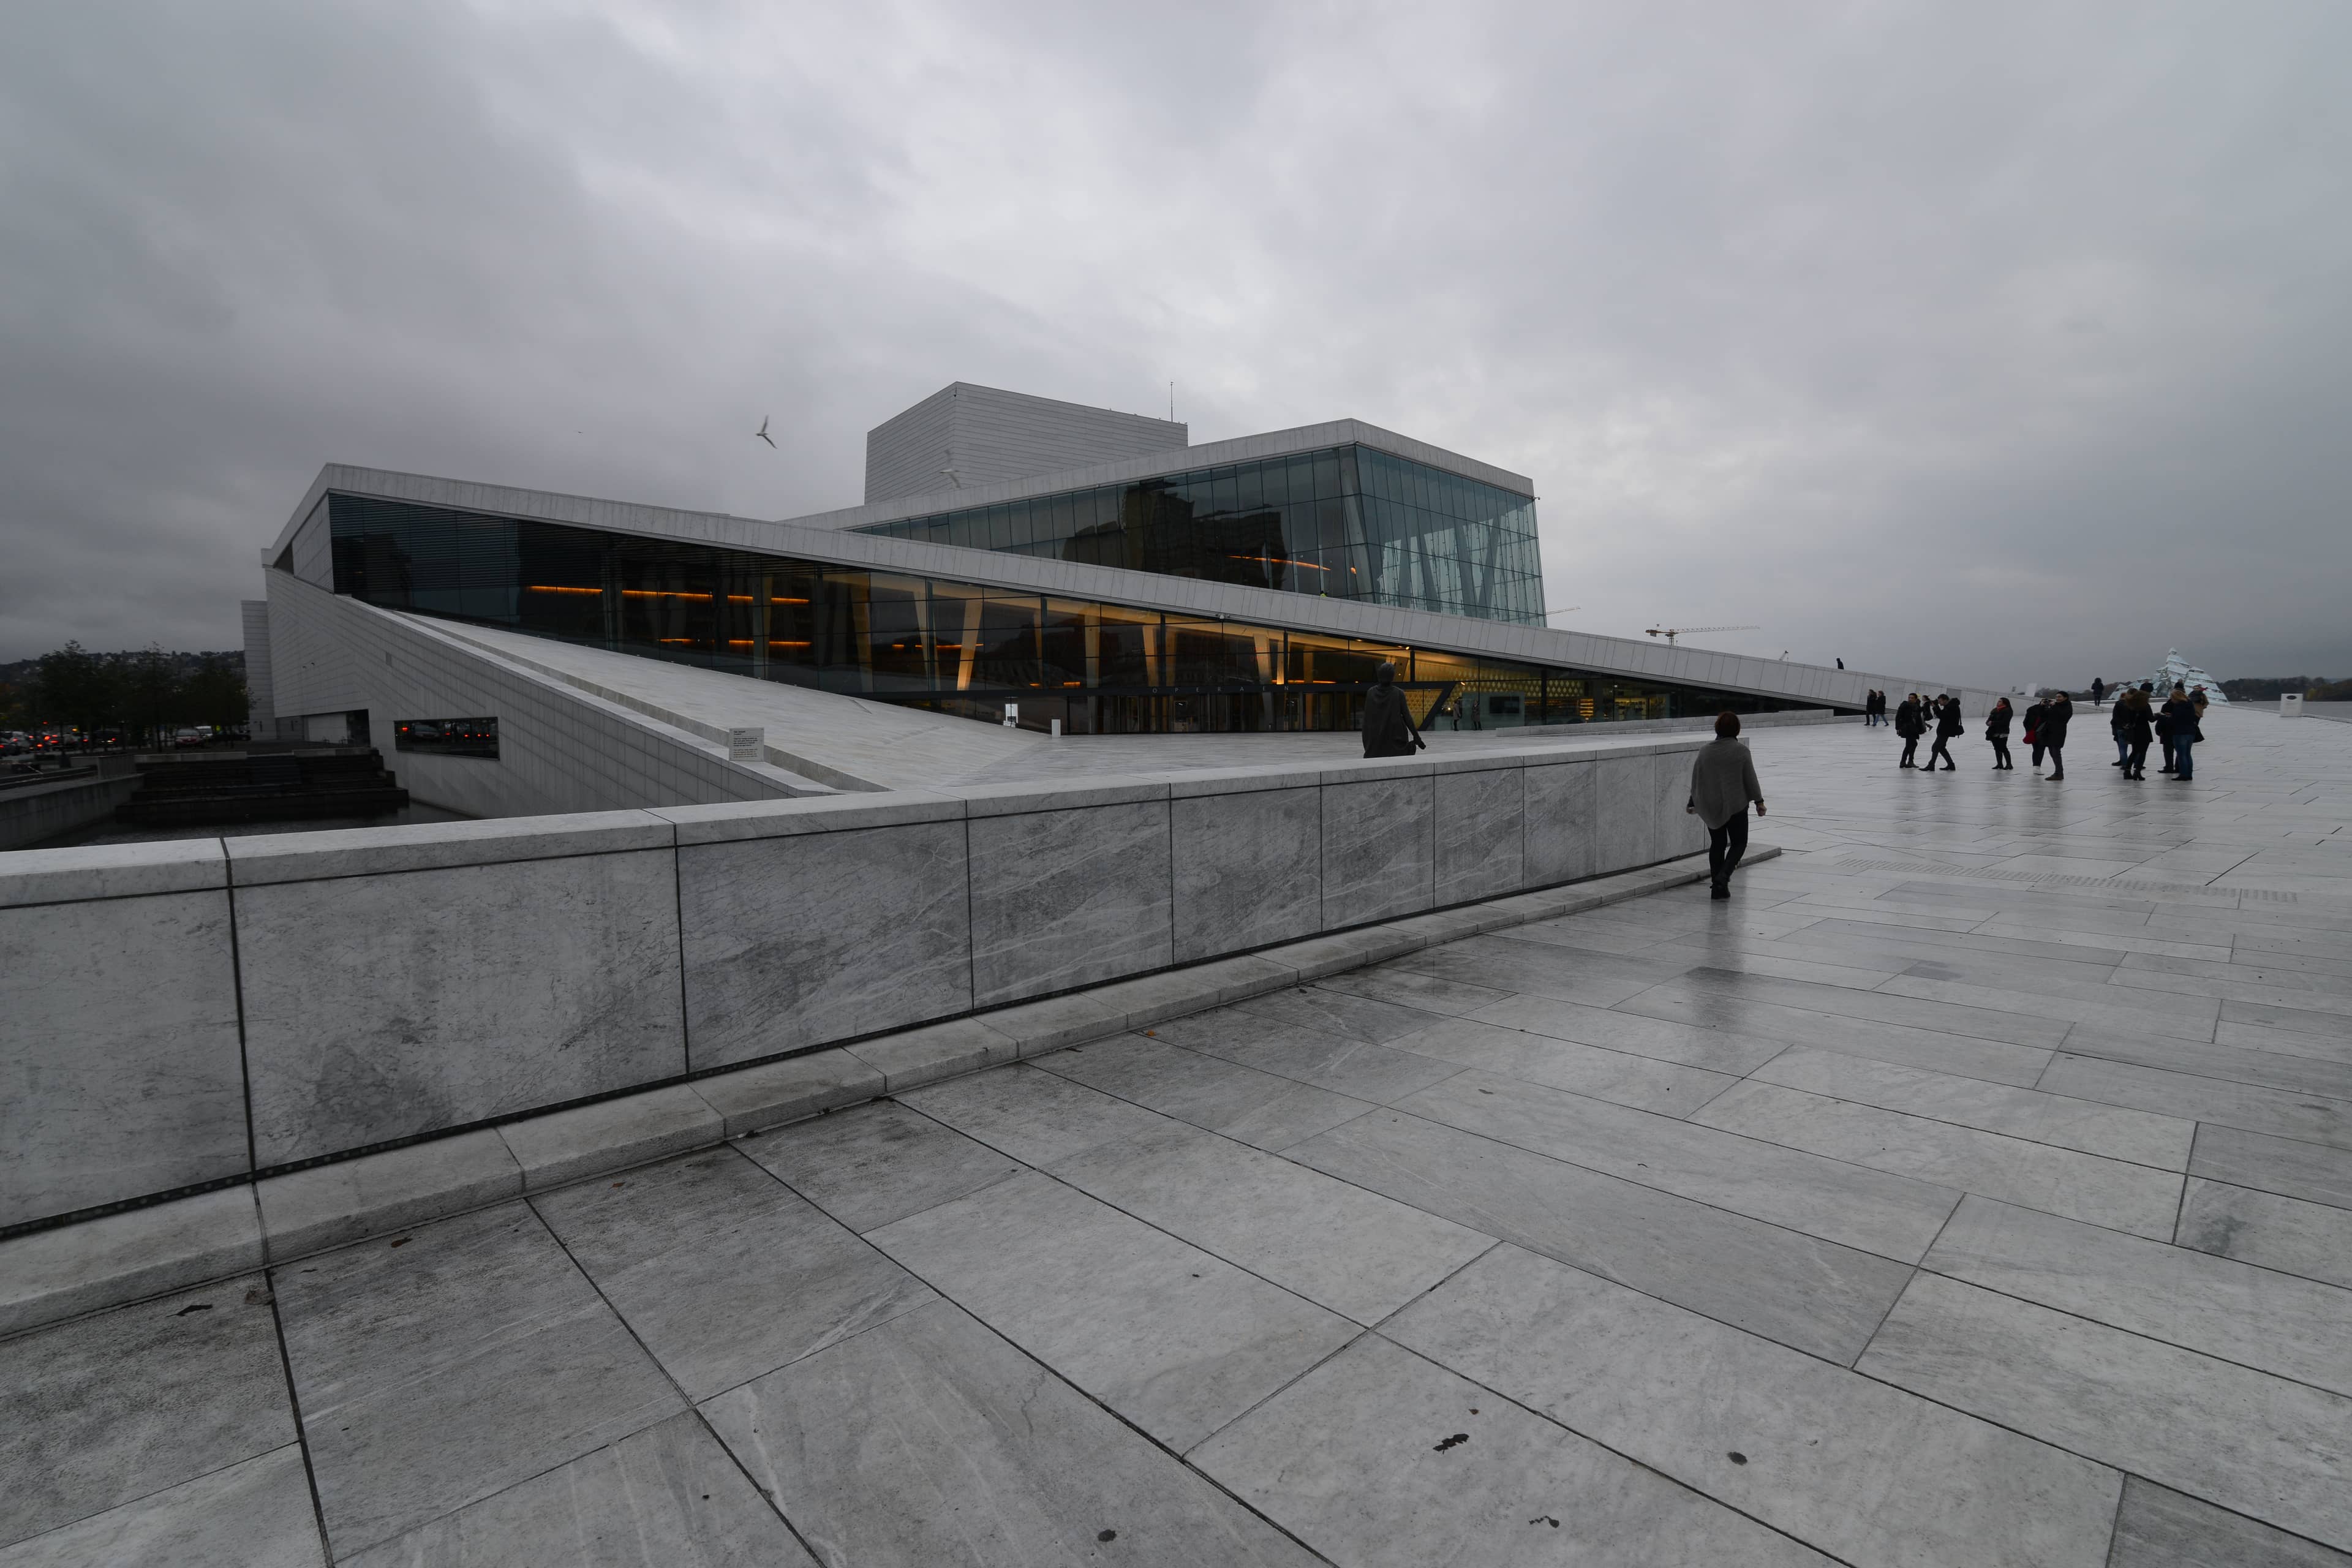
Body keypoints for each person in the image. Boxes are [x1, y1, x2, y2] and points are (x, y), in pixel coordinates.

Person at [1686, 711, 1766, 900]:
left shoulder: (1705, 751)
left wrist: (1692, 802)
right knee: (1739, 843)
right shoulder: (1741, 751)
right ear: (1737, 729)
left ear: (1717, 728)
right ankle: (1723, 877)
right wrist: (1759, 802)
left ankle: (1717, 887)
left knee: (1718, 844)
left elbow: (1698, 779)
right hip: (1737, 805)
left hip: (1711, 805)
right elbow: (1750, 779)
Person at [1359, 662, 1426, 759]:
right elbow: (1407, 717)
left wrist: (1368, 741)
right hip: (1395, 740)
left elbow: (1367, 720)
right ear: (1392, 677)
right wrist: (1417, 738)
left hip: (1376, 740)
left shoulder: (1371, 692)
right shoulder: (1398, 693)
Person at [2113, 687, 2155, 779]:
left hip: (2134, 732)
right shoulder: (2146, 706)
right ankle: (2137, 772)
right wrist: (2159, 716)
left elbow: (2128, 719)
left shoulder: (2131, 706)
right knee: (2143, 752)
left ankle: (2127, 771)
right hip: (2144, 731)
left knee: (2134, 752)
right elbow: (2151, 719)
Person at [2163, 684, 2203, 781]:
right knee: (2187, 754)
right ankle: (2189, 774)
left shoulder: (2179, 706)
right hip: (2190, 732)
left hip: (2180, 732)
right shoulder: (2190, 705)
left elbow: (2176, 720)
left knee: (2182, 755)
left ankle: (2184, 775)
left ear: (2176, 698)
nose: (2172, 700)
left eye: (2172, 698)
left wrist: (2168, 717)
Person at [2041, 690, 2073, 779]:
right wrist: (2043, 706)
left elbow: (2064, 717)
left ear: (2065, 698)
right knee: (2052, 752)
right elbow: (2045, 715)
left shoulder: (2067, 706)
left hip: (2059, 732)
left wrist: (2054, 707)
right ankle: (2058, 772)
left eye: (2060, 697)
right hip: (2050, 731)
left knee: (2056, 752)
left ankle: (2059, 773)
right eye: (2057, 697)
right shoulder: (2055, 705)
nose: (2057, 699)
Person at [1928, 693, 1962, 771]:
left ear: (1945, 700)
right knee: (1941, 748)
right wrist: (1936, 707)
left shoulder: (1951, 707)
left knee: (1936, 747)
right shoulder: (1951, 706)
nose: (1939, 703)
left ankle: (1931, 765)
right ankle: (1951, 765)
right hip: (1945, 730)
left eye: (1940, 701)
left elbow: (1942, 716)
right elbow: (1943, 715)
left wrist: (1935, 707)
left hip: (1945, 731)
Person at [1894, 692, 1924, 767]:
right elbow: (1898, 717)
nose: (1910, 699)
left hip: (1914, 728)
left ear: (1916, 699)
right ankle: (1906, 761)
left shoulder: (1916, 707)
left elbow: (1919, 718)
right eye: (1909, 698)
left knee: (1911, 744)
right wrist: (1898, 727)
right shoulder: (1904, 706)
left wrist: (1921, 729)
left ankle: (1906, 762)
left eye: (1912, 698)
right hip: (1907, 728)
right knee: (1911, 744)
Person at [1986, 698, 2013, 769]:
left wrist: (1993, 723)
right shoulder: (1995, 710)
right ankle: (1999, 764)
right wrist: (1988, 722)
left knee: (2003, 748)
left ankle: (2009, 764)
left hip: (2003, 732)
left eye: (2000, 701)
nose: (1998, 702)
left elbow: (2005, 722)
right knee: (1997, 748)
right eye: (1998, 701)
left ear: (2005, 703)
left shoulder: (2008, 710)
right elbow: (1989, 719)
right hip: (1993, 731)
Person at [2024, 695, 2048, 769]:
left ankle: (2037, 766)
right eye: (2044, 701)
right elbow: (2026, 722)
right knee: (2037, 749)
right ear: (2041, 701)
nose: (2046, 702)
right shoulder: (2033, 709)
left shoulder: (2050, 709)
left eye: (2047, 701)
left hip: (2045, 732)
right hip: (2034, 732)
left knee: (2040, 749)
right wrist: (2029, 731)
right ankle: (2036, 766)